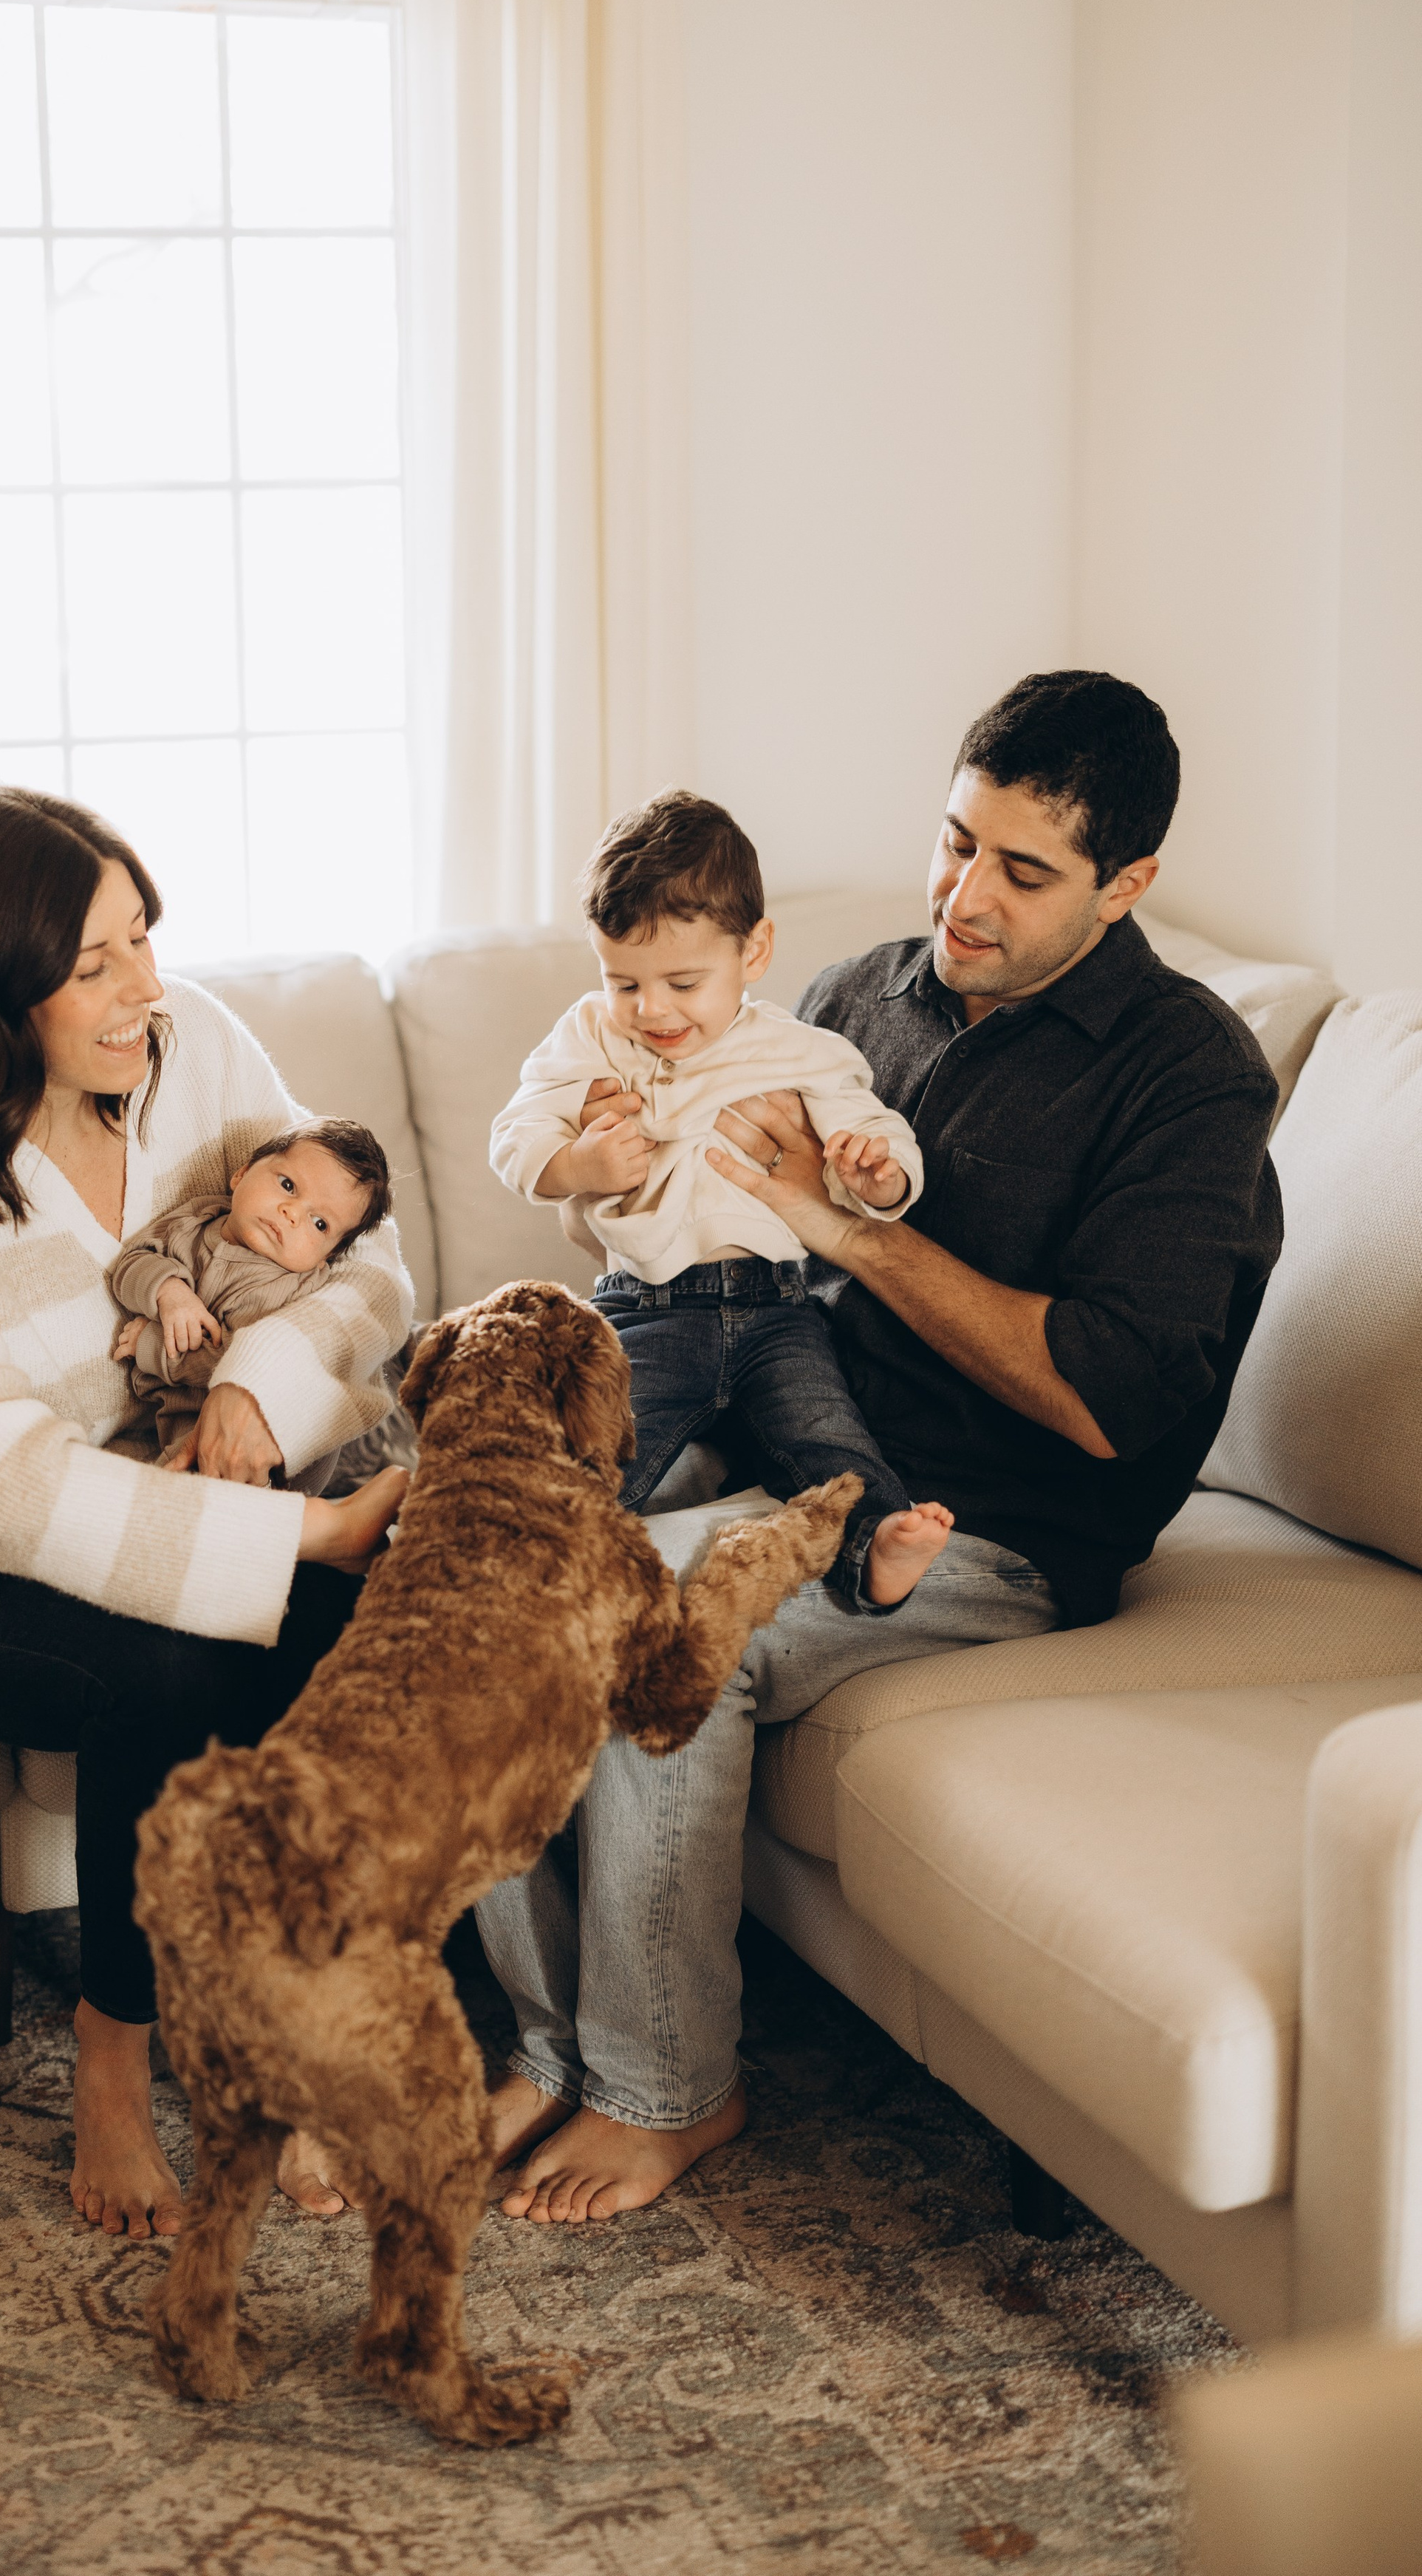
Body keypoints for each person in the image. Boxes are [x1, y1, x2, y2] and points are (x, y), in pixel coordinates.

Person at [479, 672, 1285, 2224]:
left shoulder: (1187, 1078)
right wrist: (603, 1172)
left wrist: (836, 1229)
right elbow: (677, 1225)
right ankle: (539, 2036)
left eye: (1020, 872)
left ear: (1125, 887)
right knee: (491, 1562)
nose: (960, 897)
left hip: (987, 1524)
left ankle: (663, 2087)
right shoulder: (858, 996)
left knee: (657, 1608)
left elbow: (1107, 1397)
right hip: (764, 1416)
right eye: (952, 841)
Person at [0, 788, 413, 2241]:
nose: (146, 986)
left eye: (143, 935)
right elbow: (4, 1490)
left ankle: (275, 2016)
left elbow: (363, 1260)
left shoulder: (188, 1038)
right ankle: (115, 2059)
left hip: (180, 1485)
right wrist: (290, 1537)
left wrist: (255, 1389)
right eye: (96, 964)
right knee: (174, 1663)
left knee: (368, 1613)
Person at [490, 790, 953, 1605]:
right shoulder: (591, 1034)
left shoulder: (801, 1050)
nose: (652, 1009)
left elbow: (872, 1129)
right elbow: (516, 1133)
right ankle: (531, 1563)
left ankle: (877, 1547)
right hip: (647, 1305)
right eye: (623, 982)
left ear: (755, 951)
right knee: (596, 1448)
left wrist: (879, 1176)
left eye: (681, 981)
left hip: (778, 1307)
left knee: (826, 1433)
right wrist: (577, 1165)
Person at [110, 1120, 391, 1495]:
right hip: (178, 1415)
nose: (293, 1213)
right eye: (288, 1185)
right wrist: (170, 1292)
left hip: (274, 1442)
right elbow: (133, 1262)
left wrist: (153, 1344)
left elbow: (238, 1362)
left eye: (320, 1223)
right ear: (241, 1173)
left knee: (171, 1486)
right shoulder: (195, 1220)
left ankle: (328, 1510)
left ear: (328, 1257)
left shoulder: (292, 1290)